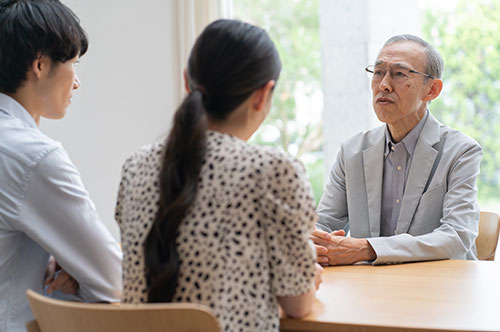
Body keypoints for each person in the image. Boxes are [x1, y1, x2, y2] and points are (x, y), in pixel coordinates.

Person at [115, 19, 322, 332]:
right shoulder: (272, 171)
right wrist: (311, 275)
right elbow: (297, 304)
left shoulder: (135, 166)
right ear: (262, 95)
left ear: (187, 81)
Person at [0, 1, 122, 331]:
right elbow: (112, 279)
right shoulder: (32, 156)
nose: (77, 82)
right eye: (74, 64)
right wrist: (77, 273)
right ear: (40, 64)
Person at [312, 34, 482, 265]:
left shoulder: (461, 151)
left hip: (439, 289)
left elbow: (457, 236)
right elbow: (323, 226)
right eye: (379, 72)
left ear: (432, 90)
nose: (383, 85)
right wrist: (312, 241)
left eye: (399, 74)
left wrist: (367, 249)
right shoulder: (351, 152)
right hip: (368, 290)